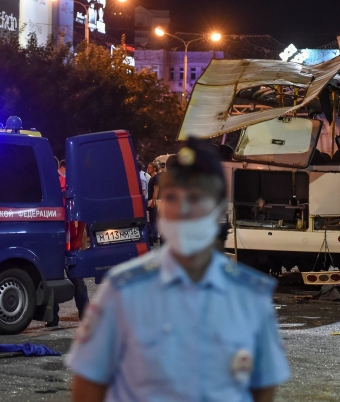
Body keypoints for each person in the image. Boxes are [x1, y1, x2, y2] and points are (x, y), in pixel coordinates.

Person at [67, 137, 289, 402]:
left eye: (195, 197)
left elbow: (261, 393)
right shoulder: (123, 291)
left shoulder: (250, 297)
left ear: (217, 208)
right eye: (171, 197)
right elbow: (88, 389)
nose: (181, 209)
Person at [46, 160, 89, 328]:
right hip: (69, 231)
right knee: (76, 276)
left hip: (57, 232)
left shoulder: (53, 181)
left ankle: (53, 317)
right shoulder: (68, 182)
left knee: (54, 276)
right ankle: (84, 315)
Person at [147, 161, 160, 245]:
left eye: (150, 168)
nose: (148, 169)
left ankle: (153, 236)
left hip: (153, 201)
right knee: (152, 219)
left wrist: (153, 201)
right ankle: (154, 236)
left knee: (153, 219)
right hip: (151, 200)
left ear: (154, 168)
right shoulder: (152, 178)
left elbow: (156, 190)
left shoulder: (155, 178)